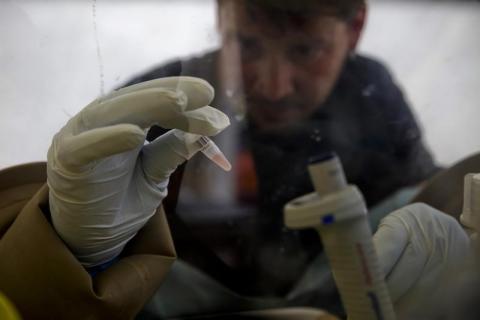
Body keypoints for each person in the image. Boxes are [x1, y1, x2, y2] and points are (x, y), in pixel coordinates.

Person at [122, 0, 443, 317]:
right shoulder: (156, 105)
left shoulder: (371, 93)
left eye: (305, 51)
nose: (274, 87)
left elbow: (428, 203)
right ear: (220, 14)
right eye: (247, 45)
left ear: (355, 28)